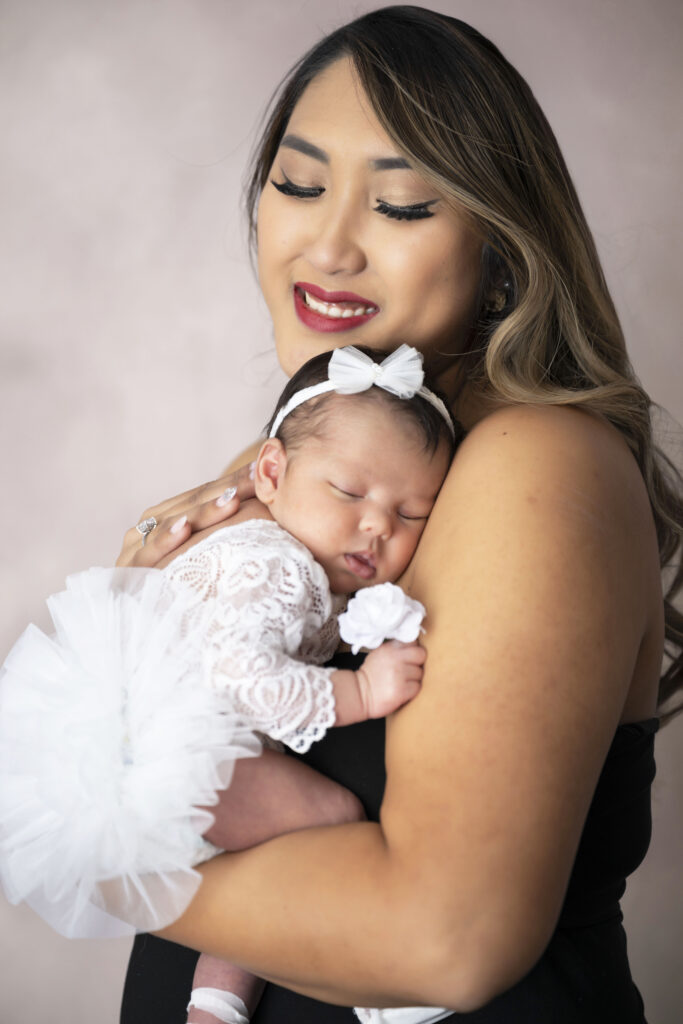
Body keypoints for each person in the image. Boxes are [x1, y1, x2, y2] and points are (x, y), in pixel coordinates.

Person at [111, 6, 682, 1023]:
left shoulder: (531, 460)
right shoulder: (310, 454)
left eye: (402, 204)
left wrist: (100, 853)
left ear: (501, 245)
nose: (327, 245)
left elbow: (445, 939)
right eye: (296, 184)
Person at [0, 344, 458, 1024]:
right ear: (270, 472)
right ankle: (375, 986)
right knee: (328, 821)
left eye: (411, 513)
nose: (376, 525)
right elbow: (245, 681)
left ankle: (214, 1008)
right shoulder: (275, 566)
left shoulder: (274, 546)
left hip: (134, 750)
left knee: (266, 848)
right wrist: (361, 693)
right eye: (350, 492)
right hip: (156, 756)